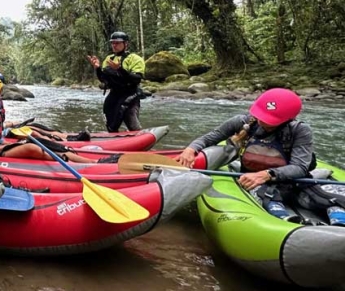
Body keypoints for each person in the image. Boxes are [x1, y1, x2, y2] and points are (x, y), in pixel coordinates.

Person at [174, 88, 344, 224]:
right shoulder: (242, 122)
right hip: (254, 180)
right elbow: (211, 137)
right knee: (267, 194)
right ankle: (285, 220)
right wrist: (191, 148)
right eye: (262, 116)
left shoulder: (299, 130)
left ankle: (338, 220)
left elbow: (300, 167)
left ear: (287, 119)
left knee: (324, 198)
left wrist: (267, 174)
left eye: (270, 119)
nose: (263, 121)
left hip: (292, 180)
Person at [0, 75, 98, 163]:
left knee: (36, 140)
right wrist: (5, 146)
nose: (2, 94)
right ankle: (67, 161)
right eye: (0, 92)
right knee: (31, 148)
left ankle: (92, 162)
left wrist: (5, 143)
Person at [87, 31, 145, 132]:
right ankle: (114, 139)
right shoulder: (109, 59)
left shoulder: (135, 59)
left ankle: (139, 138)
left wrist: (120, 69)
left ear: (126, 44)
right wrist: (98, 68)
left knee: (132, 124)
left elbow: (136, 79)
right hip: (114, 95)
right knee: (111, 125)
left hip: (130, 95)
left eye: (117, 43)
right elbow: (104, 79)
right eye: (113, 43)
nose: (114, 45)